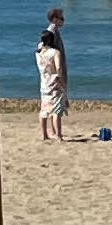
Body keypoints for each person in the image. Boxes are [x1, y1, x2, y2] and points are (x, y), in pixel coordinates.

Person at [35, 10, 69, 142]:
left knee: (45, 108)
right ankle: (57, 134)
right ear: (55, 19)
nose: (63, 20)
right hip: (54, 79)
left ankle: (46, 134)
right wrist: (62, 81)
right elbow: (58, 67)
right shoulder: (53, 38)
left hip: (45, 81)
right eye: (61, 18)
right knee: (56, 109)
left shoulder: (39, 52)